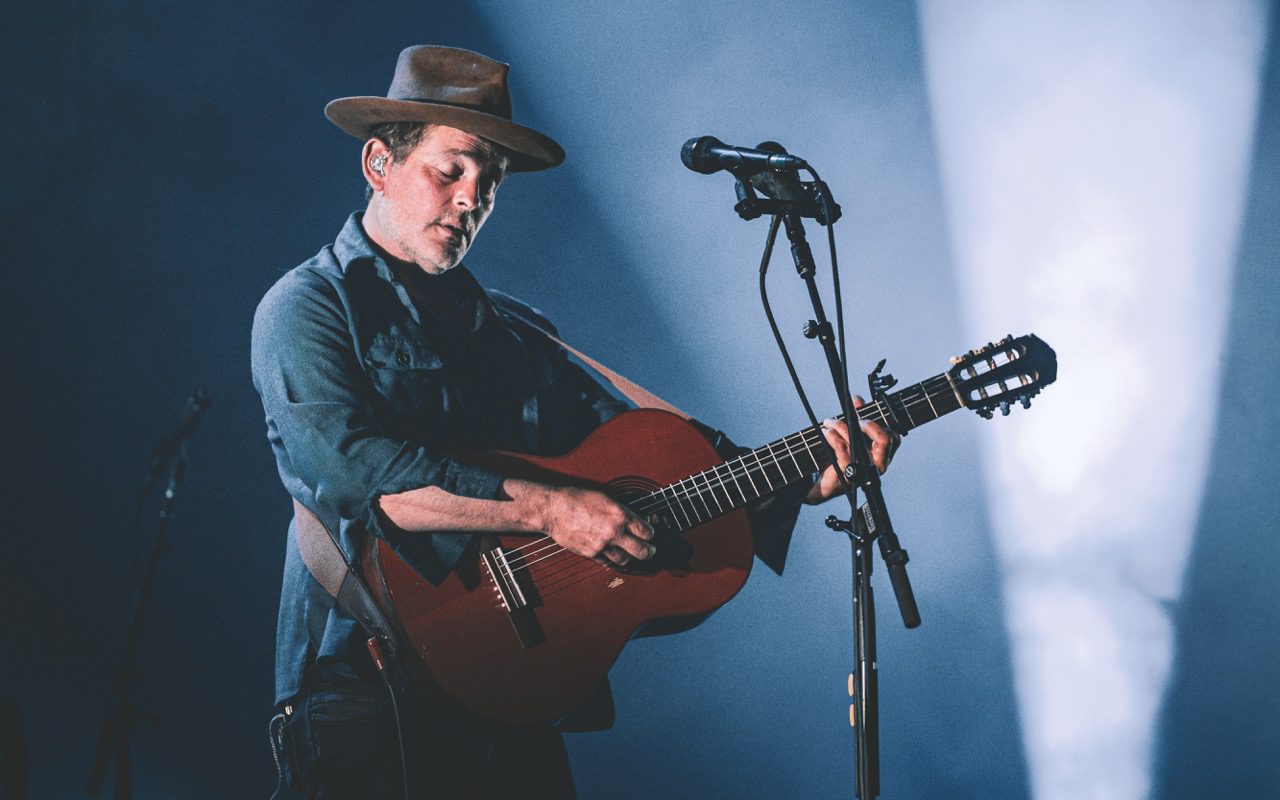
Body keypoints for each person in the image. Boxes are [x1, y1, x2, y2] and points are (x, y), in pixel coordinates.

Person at [252, 45, 896, 799]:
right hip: (364, 689)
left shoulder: (515, 333)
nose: (471, 198)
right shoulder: (307, 306)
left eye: (488, 182)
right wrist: (552, 509)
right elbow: (355, 473)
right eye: (450, 169)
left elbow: (654, 453)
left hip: (516, 691)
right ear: (378, 164)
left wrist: (798, 477)